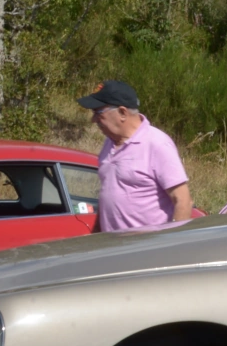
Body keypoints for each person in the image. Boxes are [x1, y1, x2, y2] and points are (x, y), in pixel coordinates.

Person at [77, 80, 192, 232]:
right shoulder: (109, 144)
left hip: (145, 250)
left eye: (98, 113)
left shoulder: (156, 143)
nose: (93, 120)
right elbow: (108, 197)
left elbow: (183, 200)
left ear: (122, 113)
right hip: (112, 248)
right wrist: (95, 237)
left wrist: (171, 244)